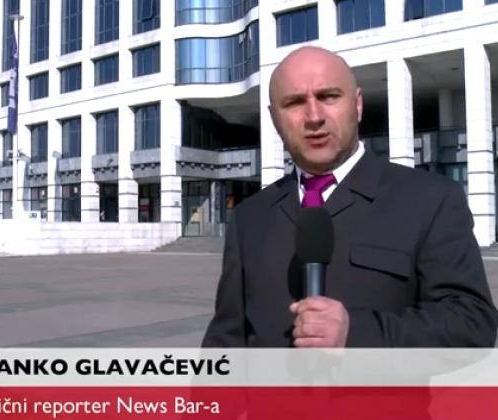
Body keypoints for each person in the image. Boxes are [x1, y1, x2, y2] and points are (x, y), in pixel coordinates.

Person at [202, 46, 498, 347]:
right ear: (274, 119)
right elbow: (224, 342)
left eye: (329, 96)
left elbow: (472, 324)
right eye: (294, 102)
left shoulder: (430, 200)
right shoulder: (249, 218)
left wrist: (356, 333)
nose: (314, 116)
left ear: (357, 105)